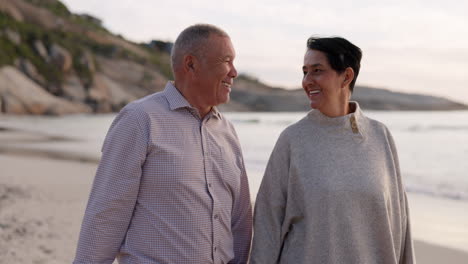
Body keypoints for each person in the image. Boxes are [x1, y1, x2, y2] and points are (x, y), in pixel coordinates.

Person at [73, 24, 252, 264]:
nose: (234, 72)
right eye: (226, 61)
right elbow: (106, 213)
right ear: (191, 64)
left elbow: (239, 220)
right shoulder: (139, 119)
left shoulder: (228, 132)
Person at [250, 36, 415, 263]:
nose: (307, 81)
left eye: (317, 70)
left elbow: (400, 221)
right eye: (305, 72)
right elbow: (267, 224)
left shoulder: (380, 136)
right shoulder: (292, 140)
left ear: (346, 76)